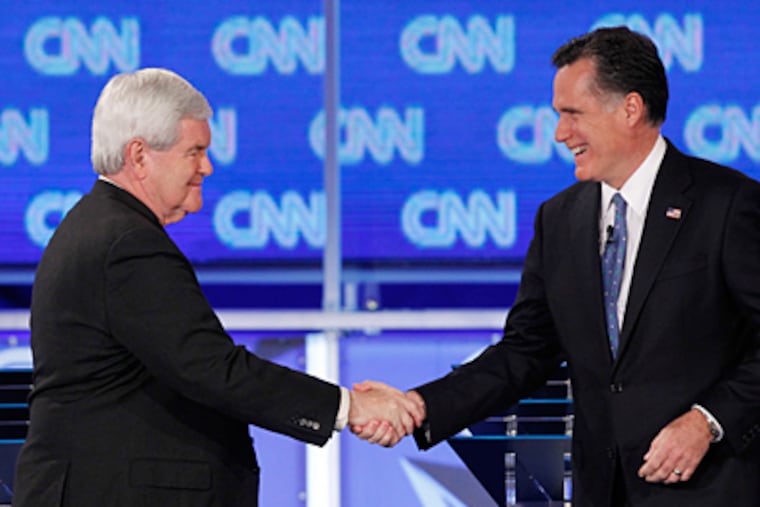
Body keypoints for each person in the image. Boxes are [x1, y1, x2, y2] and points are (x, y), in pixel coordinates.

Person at [355, 26, 760, 506]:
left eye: (573, 114)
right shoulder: (560, 219)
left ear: (630, 109)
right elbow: (524, 352)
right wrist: (421, 405)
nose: (559, 134)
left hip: (711, 489)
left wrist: (707, 421)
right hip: (603, 492)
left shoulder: (727, 205)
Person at [13, 68, 423, 507]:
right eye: (195, 151)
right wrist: (348, 408)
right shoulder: (126, 244)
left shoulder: (99, 226)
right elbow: (210, 368)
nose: (206, 167)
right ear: (139, 156)